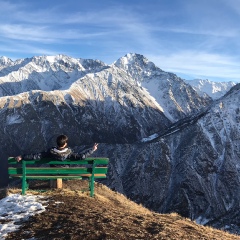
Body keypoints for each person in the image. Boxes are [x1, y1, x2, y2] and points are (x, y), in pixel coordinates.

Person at [15, 134, 98, 162]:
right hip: (66, 173)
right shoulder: (69, 153)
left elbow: (36, 156)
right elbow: (82, 156)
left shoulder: (51, 152)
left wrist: (22, 157)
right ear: (65, 144)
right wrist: (92, 150)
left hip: (52, 173)